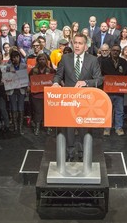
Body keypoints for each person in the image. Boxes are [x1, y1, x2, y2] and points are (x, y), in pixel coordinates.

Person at [53, 33, 103, 162]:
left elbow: (99, 79)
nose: (77, 45)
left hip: (86, 101)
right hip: (69, 100)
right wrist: (55, 83)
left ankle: (82, 153)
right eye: (75, 43)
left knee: (83, 128)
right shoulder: (65, 58)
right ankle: (70, 153)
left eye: (80, 43)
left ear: (85, 46)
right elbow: (58, 75)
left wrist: (86, 82)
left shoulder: (92, 60)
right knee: (69, 128)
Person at [100, 44, 127, 136]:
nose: (115, 52)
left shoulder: (124, 62)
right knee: (108, 110)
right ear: (110, 51)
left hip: (119, 90)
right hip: (108, 90)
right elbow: (100, 73)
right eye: (114, 50)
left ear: (120, 52)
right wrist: (102, 78)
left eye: (117, 50)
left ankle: (119, 128)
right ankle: (107, 128)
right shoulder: (104, 62)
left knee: (119, 110)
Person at [29, 53, 55, 136]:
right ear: (37, 61)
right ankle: (37, 127)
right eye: (40, 59)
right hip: (36, 95)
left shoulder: (51, 70)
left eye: (43, 59)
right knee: (38, 111)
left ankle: (48, 127)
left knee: (48, 112)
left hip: (48, 95)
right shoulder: (33, 70)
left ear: (46, 61)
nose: (41, 61)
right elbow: (29, 80)